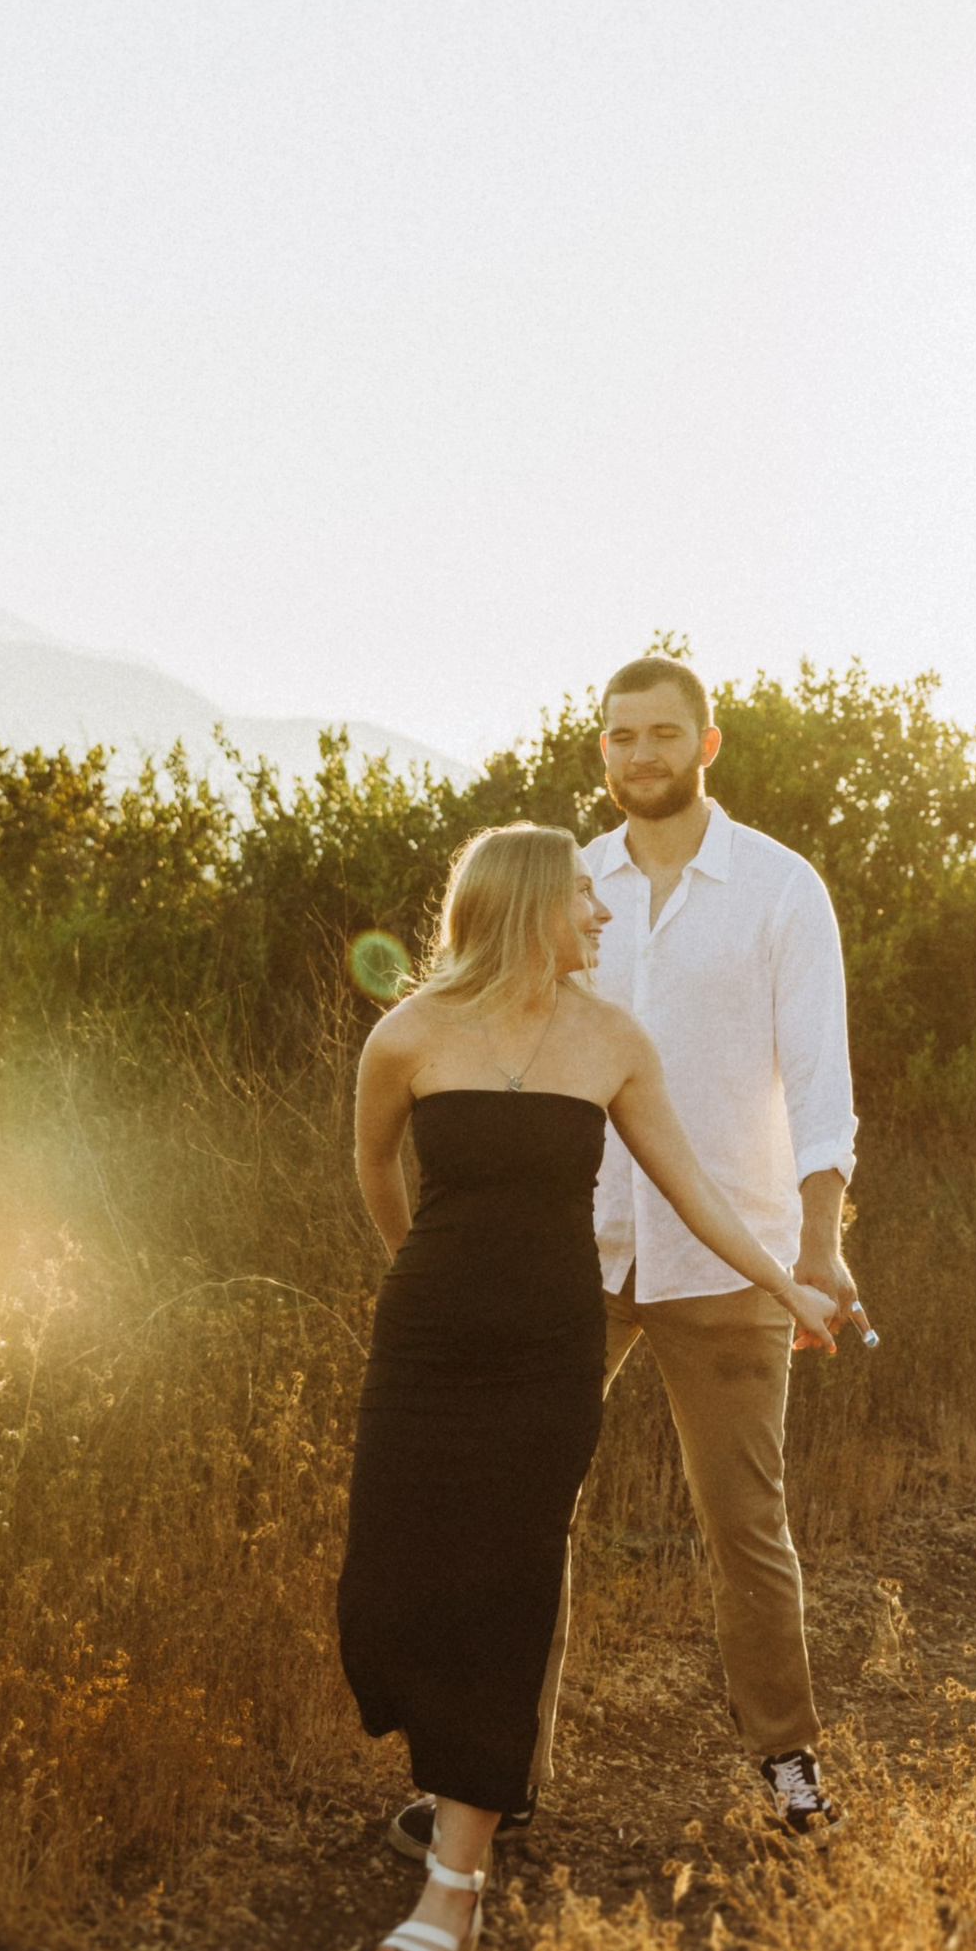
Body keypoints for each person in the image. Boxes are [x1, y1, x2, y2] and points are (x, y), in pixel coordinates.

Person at [340, 821, 838, 1951]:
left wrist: (785, 1280)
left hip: (549, 1348)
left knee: (511, 1579)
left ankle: (455, 1879)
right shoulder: (405, 1034)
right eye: (579, 897)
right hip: (425, 1341)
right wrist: (429, 1273)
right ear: (523, 907)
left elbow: (693, 1187)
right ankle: (465, 1760)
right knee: (387, 1584)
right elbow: (373, 1173)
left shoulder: (612, 1040)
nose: (601, 912)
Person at [390, 654, 864, 1863]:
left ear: (707, 744)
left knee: (743, 1523)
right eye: (618, 737)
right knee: (521, 1514)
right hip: (572, 1256)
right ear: (598, 751)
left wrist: (813, 1247)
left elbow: (820, 1084)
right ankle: (501, 1779)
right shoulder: (570, 884)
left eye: (661, 733)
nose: (638, 754)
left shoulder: (778, 889)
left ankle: (788, 1763)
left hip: (732, 1252)